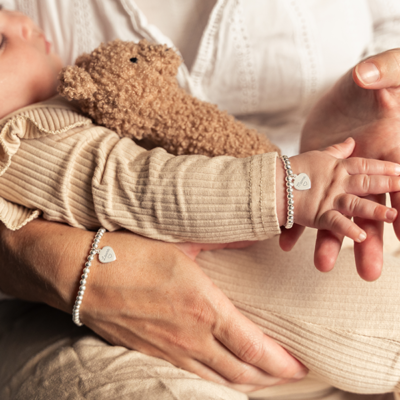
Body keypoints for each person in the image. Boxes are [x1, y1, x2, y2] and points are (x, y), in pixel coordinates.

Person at [1, 1, 400, 399]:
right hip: (77, 316)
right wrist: (288, 186)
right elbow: (141, 186)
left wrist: (376, 108)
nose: (23, 24)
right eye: (0, 43)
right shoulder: (26, 135)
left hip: (317, 201)